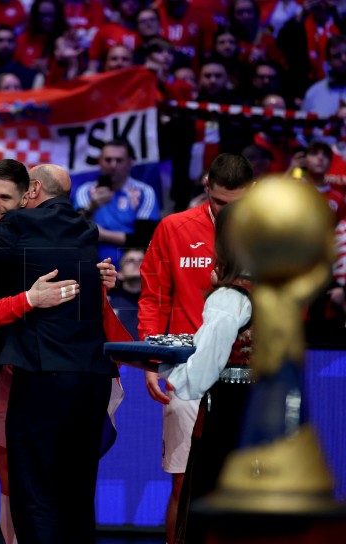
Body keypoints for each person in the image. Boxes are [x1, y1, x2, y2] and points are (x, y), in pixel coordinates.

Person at [0, 162, 124, 542]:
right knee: (77, 493)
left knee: (33, 491)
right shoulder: (86, 228)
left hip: (42, 379)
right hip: (91, 379)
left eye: (7, 197)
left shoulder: (18, 227)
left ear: (30, 191)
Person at [138, 153, 253, 544]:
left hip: (246, 383)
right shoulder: (173, 228)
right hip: (188, 374)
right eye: (220, 203)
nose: (227, 213)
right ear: (206, 188)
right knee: (184, 484)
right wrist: (151, 362)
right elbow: (153, 298)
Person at [75, 138, 160, 267]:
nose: (113, 165)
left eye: (119, 160)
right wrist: (92, 207)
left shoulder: (144, 192)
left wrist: (102, 235)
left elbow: (145, 240)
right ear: (100, 162)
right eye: (108, 160)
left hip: (133, 270)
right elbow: (75, 232)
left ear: (129, 162)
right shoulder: (85, 191)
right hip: (92, 267)